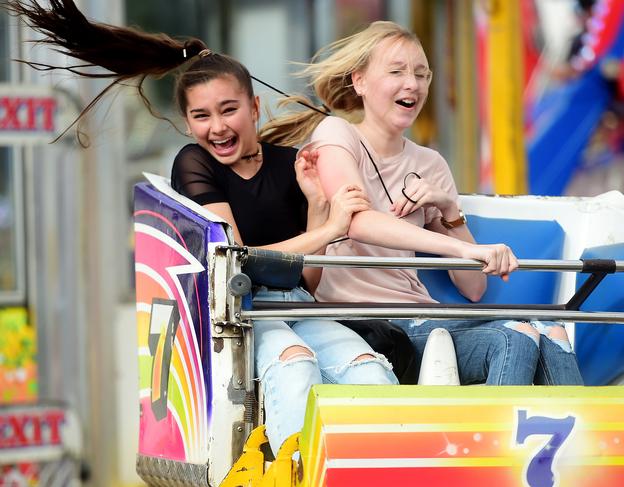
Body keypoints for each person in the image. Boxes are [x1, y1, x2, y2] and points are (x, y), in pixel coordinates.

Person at [5, 0, 399, 455]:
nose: (217, 128)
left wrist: (315, 206)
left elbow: (307, 280)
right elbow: (237, 260)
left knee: (368, 368)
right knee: (295, 366)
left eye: (229, 110)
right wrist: (329, 228)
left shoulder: (292, 164)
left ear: (254, 107)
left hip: (297, 306)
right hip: (240, 313)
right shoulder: (194, 164)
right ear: (187, 122)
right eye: (201, 116)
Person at [261, 21, 583, 386]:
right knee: (517, 337)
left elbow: (473, 289)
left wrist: (449, 210)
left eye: (422, 74)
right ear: (360, 81)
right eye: (396, 71)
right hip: (370, 323)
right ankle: (494, 441)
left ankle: (587, 441)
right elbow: (356, 220)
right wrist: (463, 249)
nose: (412, 84)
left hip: (425, 316)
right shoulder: (336, 134)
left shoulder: (431, 164)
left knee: (552, 330)